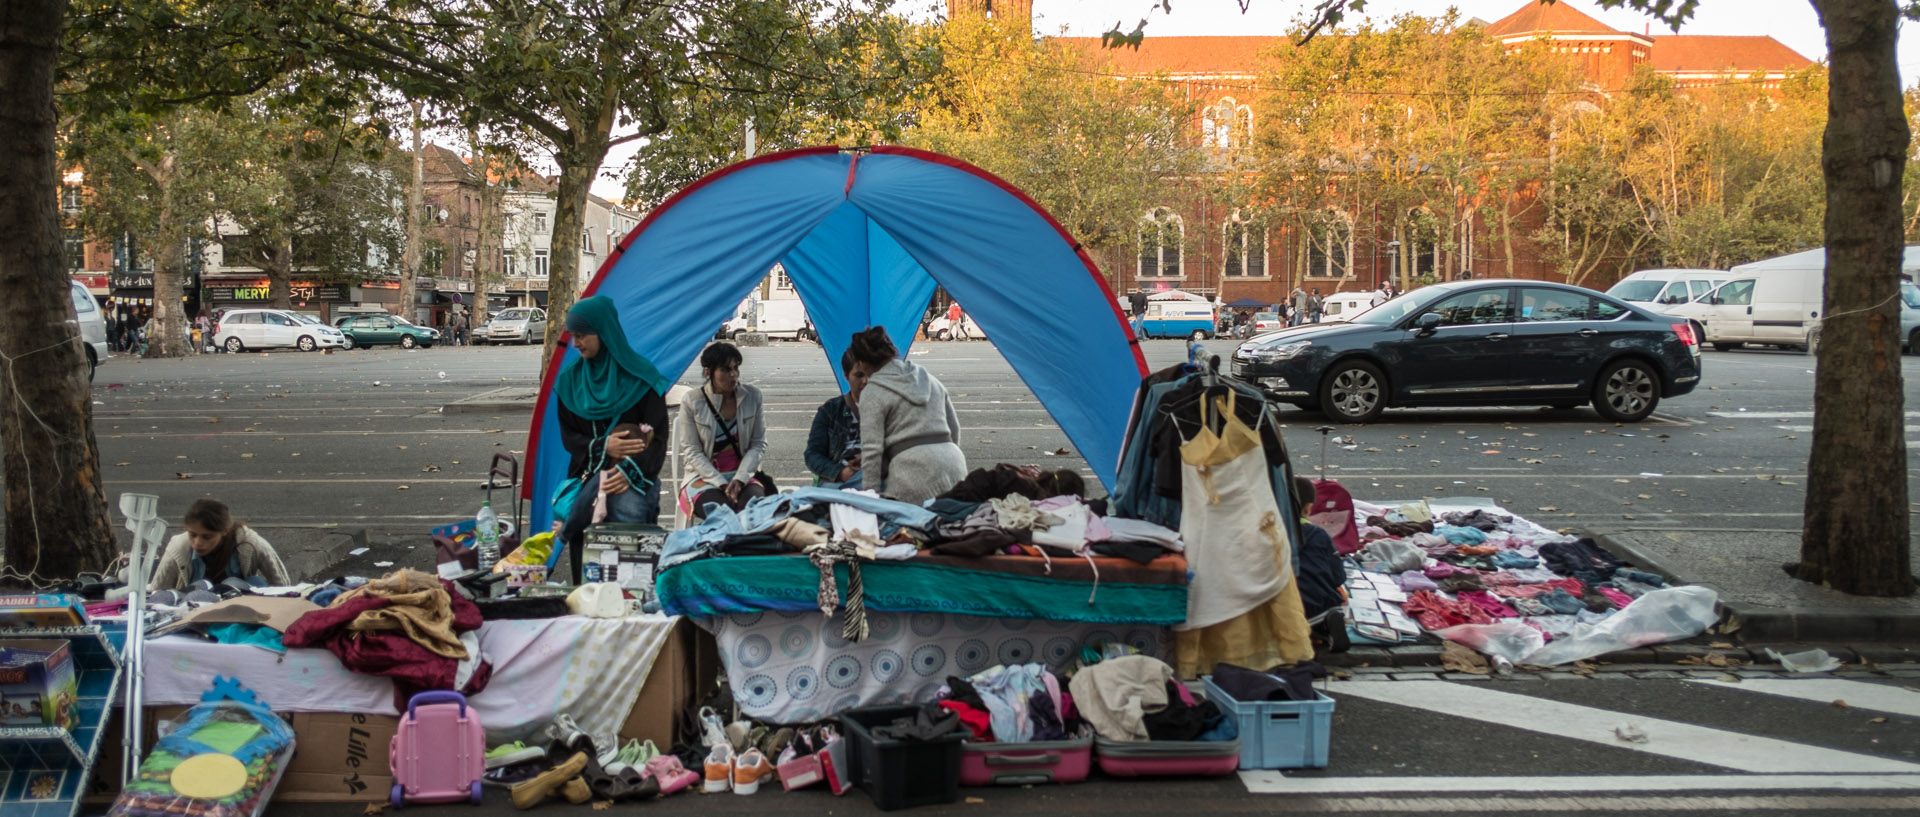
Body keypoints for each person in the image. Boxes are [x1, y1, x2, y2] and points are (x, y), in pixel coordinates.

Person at [554, 296, 672, 580]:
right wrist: (603, 446)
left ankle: (633, 613)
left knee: (628, 553)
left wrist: (628, 470)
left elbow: (657, 437)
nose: (576, 343)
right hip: (586, 480)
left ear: (603, 331)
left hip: (635, 477)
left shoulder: (642, 379)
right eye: (573, 336)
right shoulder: (570, 382)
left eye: (582, 335)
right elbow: (570, 437)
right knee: (588, 573)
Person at [851, 326, 967, 504]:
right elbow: (954, 428)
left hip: (911, 474)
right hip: (954, 466)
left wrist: (870, 498)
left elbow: (872, 451)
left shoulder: (873, 392)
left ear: (862, 362)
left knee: (910, 529)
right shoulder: (929, 379)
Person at [677, 341, 772, 518]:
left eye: (736, 368)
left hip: (742, 476)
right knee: (721, 514)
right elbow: (692, 450)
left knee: (752, 511)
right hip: (702, 478)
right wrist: (720, 483)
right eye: (725, 370)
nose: (733, 375)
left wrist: (739, 479)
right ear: (708, 372)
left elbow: (758, 444)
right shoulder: (692, 401)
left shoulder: (753, 396)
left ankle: (745, 545)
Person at [149, 499, 291, 591]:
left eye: (207, 537)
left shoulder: (250, 543)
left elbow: (283, 586)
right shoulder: (178, 547)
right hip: (194, 608)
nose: (198, 543)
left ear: (225, 531)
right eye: (192, 535)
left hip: (239, 607)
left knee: (255, 582)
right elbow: (157, 593)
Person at [805, 348, 872, 489]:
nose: (866, 381)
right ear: (846, 376)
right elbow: (812, 455)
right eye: (859, 375)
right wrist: (840, 472)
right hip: (837, 482)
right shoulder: (830, 410)